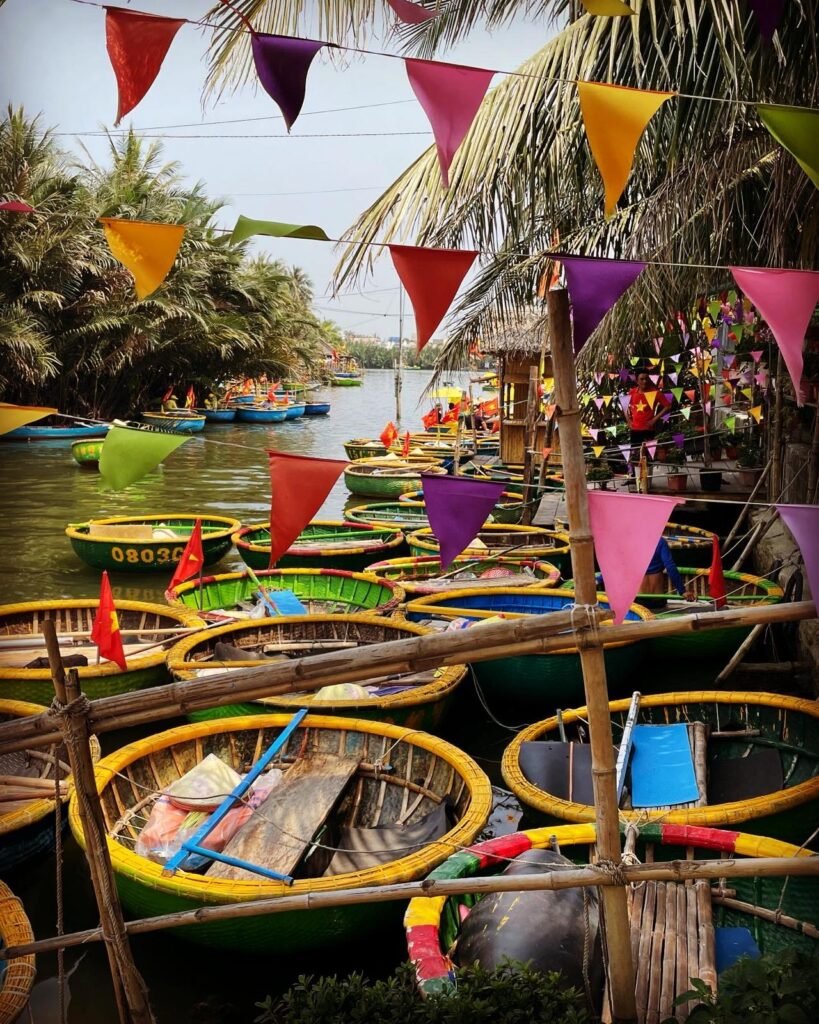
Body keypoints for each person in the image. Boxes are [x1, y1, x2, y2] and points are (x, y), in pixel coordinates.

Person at [627, 372, 669, 472]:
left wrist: (654, 419)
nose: (644, 381)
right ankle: (635, 477)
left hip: (648, 429)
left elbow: (667, 406)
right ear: (637, 381)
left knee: (648, 456)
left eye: (646, 378)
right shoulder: (632, 392)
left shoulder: (655, 392)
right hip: (635, 429)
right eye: (642, 379)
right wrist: (628, 421)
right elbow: (625, 406)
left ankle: (647, 478)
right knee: (635, 456)